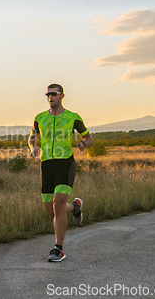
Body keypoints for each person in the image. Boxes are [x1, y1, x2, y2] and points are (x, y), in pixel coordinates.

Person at [28, 83, 93, 262]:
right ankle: (75, 207)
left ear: (62, 96)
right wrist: (33, 147)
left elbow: (89, 138)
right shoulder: (39, 118)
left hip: (65, 163)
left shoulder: (72, 117)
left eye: (54, 94)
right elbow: (32, 137)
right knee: (51, 211)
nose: (50, 97)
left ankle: (59, 248)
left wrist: (83, 144)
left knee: (57, 204)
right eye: (48, 94)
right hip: (46, 165)